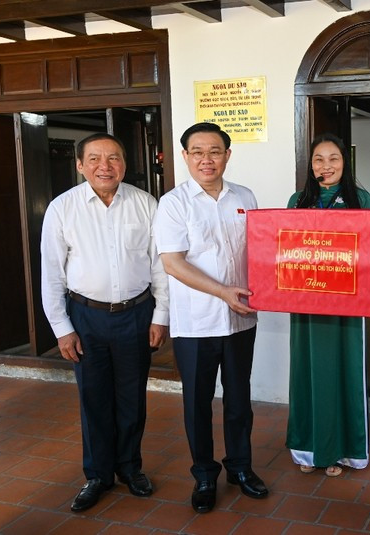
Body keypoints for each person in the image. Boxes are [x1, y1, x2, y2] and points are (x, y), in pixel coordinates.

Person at [40, 133, 169, 512]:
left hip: (136, 313)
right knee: (94, 398)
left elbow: (160, 265)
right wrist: (62, 327)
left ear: (124, 164)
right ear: (80, 165)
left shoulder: (146, 204)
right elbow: (52, 273)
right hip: (85, 317)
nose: (104, 166)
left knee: (132, 397)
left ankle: (130, 467)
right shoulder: (62, 208)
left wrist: (160, 315)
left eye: (113, 158)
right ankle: (97, 474)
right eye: (94, 158)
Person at [153, 122, 267, 514]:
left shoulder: (245, 196)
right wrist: (222, 292)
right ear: (184, 157)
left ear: (227, 156)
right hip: (196, 324)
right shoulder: (173, 203)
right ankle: (204, 474)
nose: (207, 159)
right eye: (197, 152)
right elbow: (172, 263)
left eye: (215, 151)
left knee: (239, 400)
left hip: (241, 321)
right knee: (197, 403)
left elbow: (261, 251)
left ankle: (240, 467)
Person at [285, 133, 370, 477]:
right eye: (319, 159)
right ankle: (308, 449)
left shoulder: (360, 198)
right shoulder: (298, 200)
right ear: (311, 165)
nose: (326, 166)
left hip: (346, 302)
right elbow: (287, 248)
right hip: (305, 300)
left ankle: (342, 450)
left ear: (345, 162)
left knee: (344, 371)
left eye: (333, 158)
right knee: (307, 371)